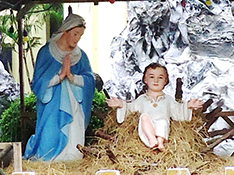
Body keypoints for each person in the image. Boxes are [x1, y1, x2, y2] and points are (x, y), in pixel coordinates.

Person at [24, 13, 97, 161]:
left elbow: (90, 80)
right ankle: (50, 160)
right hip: (52, 106)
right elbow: (38, 82)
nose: (77, 39)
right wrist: (60, 76)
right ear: (65, 32)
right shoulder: (46, 52)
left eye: (80, 36)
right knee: (49, 135)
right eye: (75, 34)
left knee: (73, 134)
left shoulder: (80, 56)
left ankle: (72, 160)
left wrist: (72, 77)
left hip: (75, 103)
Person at [106, 63, 203, 150]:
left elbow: (178, 110)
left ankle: (160, 141)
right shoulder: (142, 99)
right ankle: (152, 140)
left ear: (166, 81)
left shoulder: (168, 99)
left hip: (163, 125)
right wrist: (120, 104)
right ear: (145, 79)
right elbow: (130, 108)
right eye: (152, 77)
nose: (156, 81)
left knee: (163, 122)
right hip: (147, 127)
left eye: (160, 77)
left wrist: (188, 106)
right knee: (144, 117)